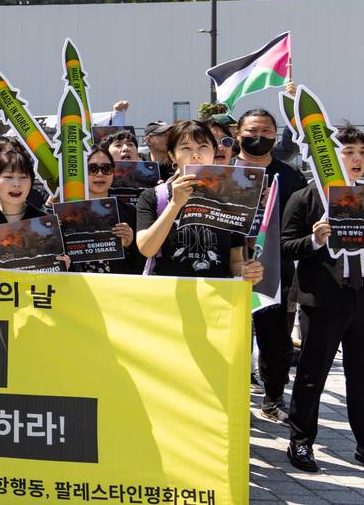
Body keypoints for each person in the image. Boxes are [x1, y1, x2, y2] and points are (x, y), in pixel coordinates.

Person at [283, 125, 364, 475]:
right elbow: (286, 247)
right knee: (312, 375)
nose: (358, 158)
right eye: (349, 151)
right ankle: (301, 442)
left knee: (362, 378)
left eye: (362, 151)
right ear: (329, 158)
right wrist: (315, 240)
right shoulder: (306, 197)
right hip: (324, 300)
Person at [234, 106, 309, 423]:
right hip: (229, 266)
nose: (258, 137)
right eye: (252, 131)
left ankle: (274, 397)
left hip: (278, 270)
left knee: (276, 340)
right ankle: (230, 395)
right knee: (232, 337)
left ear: (276, 135)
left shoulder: (290, 175)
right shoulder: (221, 171)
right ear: (238, 134)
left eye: (266, 131)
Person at [134, 120, 263, 282]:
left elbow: (235, 260)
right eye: (186, 148)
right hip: (167, 297)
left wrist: (245, 272)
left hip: (215, 298)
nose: (196, 155)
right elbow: (147, 249)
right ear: (172, 155)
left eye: (203, 147)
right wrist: (175, 204)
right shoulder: (153, 196)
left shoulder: (232, 197)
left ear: (214, 152)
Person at [69, 148, 144, 274]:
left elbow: (143, 264)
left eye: (106, 168)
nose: (100, 174)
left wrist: (130, 244)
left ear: (113, 172)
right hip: (78, 288)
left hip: (116, 288)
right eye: (92, 168)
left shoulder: (129, 211)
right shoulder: (67, 212)